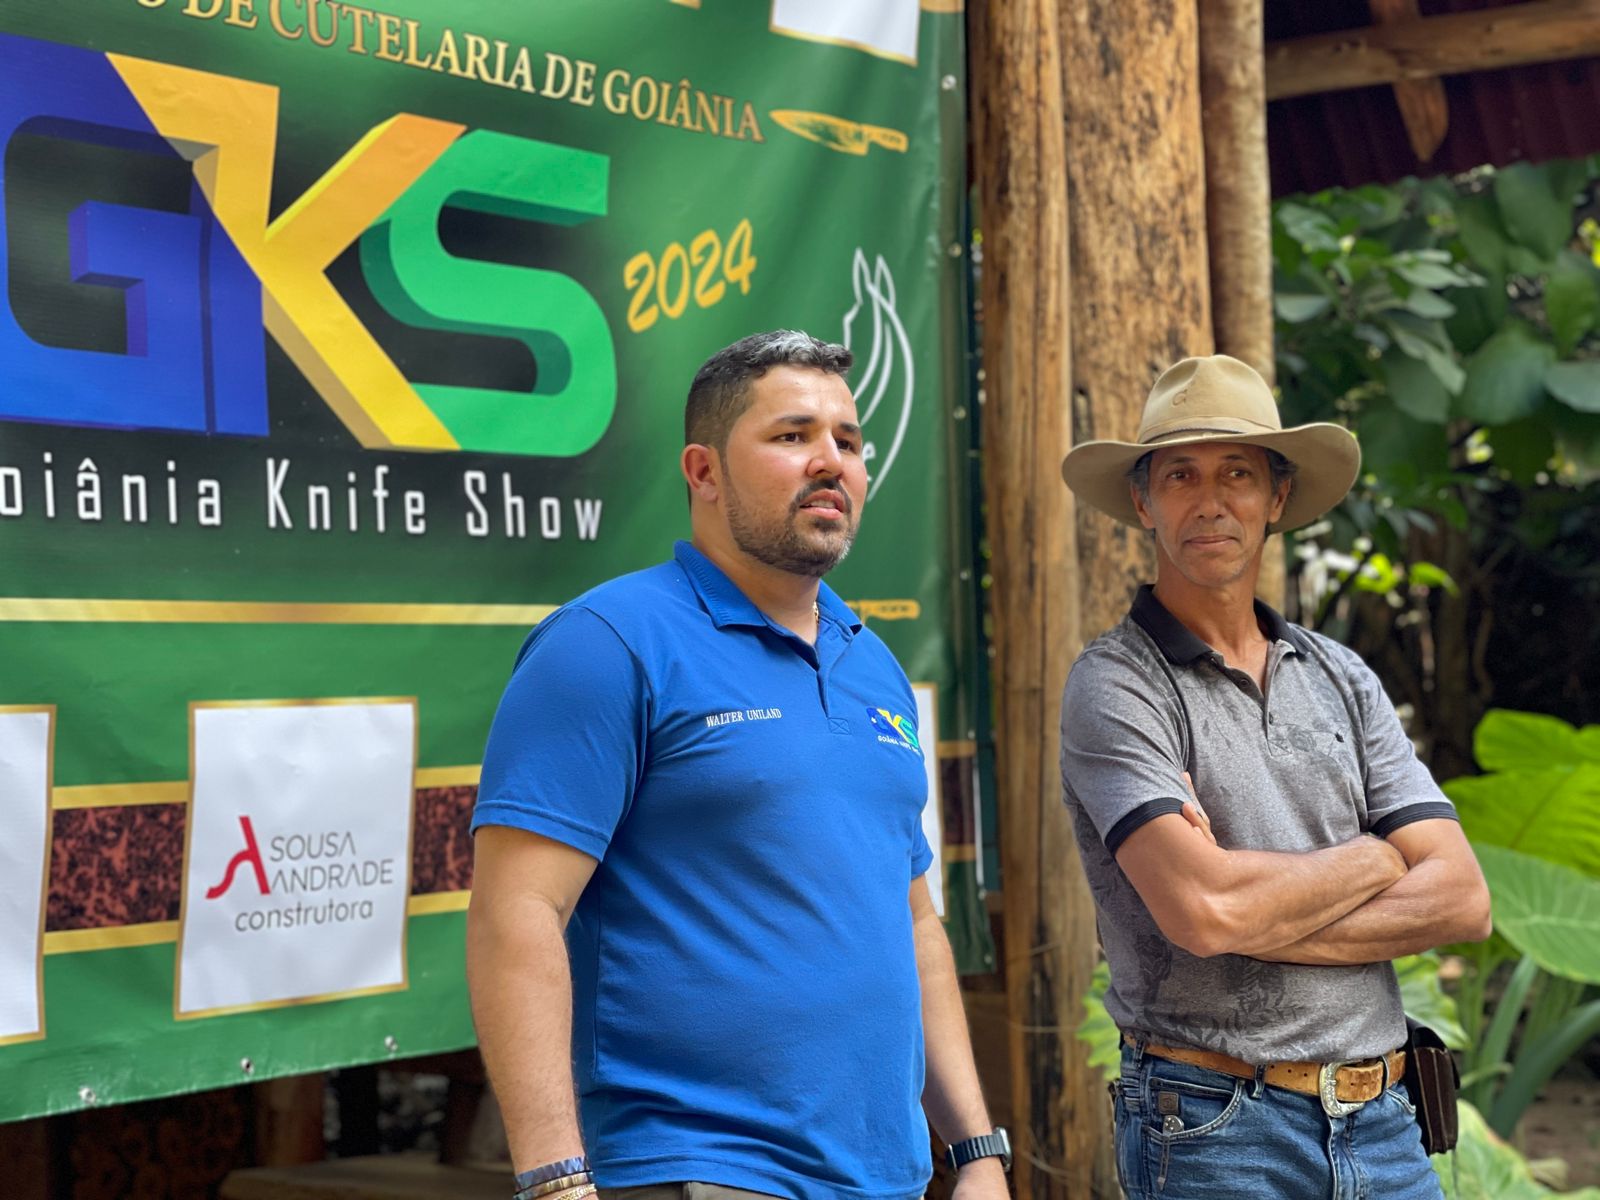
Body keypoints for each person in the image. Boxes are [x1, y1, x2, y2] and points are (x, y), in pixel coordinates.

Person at [467, 331, 1010, 1200]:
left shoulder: (874, 664)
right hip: (697, 1170)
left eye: (849, 440)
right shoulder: (609, 643)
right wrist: (557, 1180)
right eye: (793, 436)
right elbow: (515, 912)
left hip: (889, 1175)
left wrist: (976, 1151)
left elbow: (913, 924)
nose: (830, 461)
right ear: (703, 471)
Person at [1057, 354, 1491, 1200]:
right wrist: (1375, 858)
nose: (1210, 499)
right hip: (1215, 1123)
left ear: (1277, 498)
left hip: (1385, 1120)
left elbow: (1463, 899)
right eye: (1180, 474)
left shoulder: (1340, 674)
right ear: (1143, 501)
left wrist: (1242, 902)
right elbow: (1204, 911)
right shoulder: (1116, 685)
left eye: (1238, 474)